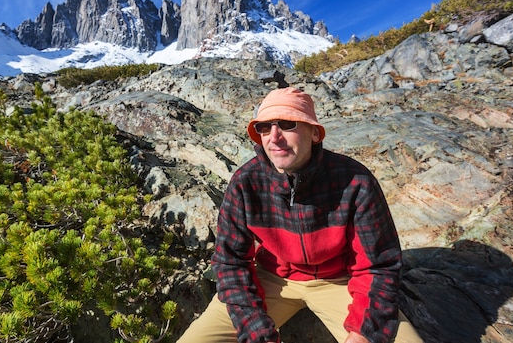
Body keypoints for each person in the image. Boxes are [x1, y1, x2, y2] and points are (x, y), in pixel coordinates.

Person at [177, 87, 423, 343]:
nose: (274, 137)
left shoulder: (355, 181)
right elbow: (230, 263)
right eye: (264, 127)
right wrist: (258, 333)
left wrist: (362, 333)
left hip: (339, 281)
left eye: (287, 124)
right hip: (272, 279)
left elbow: (378, 265)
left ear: (315, 132)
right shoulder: (245, 183)